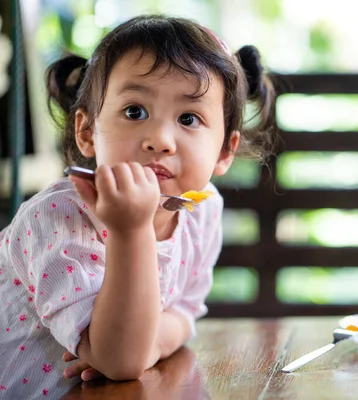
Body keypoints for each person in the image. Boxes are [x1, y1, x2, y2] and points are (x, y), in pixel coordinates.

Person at [0, 14, 275, 398]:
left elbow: (185, 314)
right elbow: (121, 361)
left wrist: (149, 345)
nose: (160, 139)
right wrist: (132, 229)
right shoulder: (58, 218)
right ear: (87, 132)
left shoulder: (203, 209)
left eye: (188, 118)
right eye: (135, 112)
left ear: (225, 151)